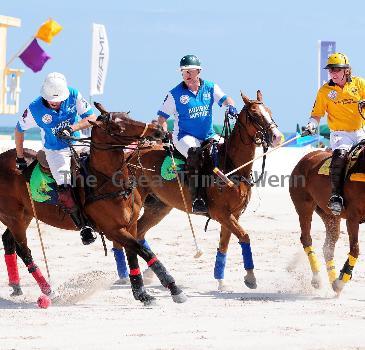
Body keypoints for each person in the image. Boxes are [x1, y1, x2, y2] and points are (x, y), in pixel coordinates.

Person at [14, 72, 98, 244]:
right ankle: (83, 226)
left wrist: (73, 128)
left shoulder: (73, 94)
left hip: (78, 142)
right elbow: (19, 130)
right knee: (65, 185)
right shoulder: (34, 109)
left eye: (59, 100)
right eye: (53, 100)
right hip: (55, 152)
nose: (56, 103)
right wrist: (20, 157)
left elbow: (92, 118)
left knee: (100, 167)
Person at [157, 54, 237, 214]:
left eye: (190, 71)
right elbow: (161, 118)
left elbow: (228, 100)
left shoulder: (210, 87)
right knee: (196, 155)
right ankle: (198, 198)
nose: (186, 74)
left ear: (198, 71)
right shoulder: (175, 94)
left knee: (227, 150)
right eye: (183, 71)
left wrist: (230, 107)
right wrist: (165, 133)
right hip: (184, 137)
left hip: (208, 134)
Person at [304, 52, 365, 215]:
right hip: (340, 134)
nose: (333, 73)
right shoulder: (325, 91)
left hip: (360, 131)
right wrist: (311, 125)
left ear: (346, 70)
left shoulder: (359, 84)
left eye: (337, 70)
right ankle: (336, 196)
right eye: (331, 70)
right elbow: (317, 113)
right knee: (340, 157)